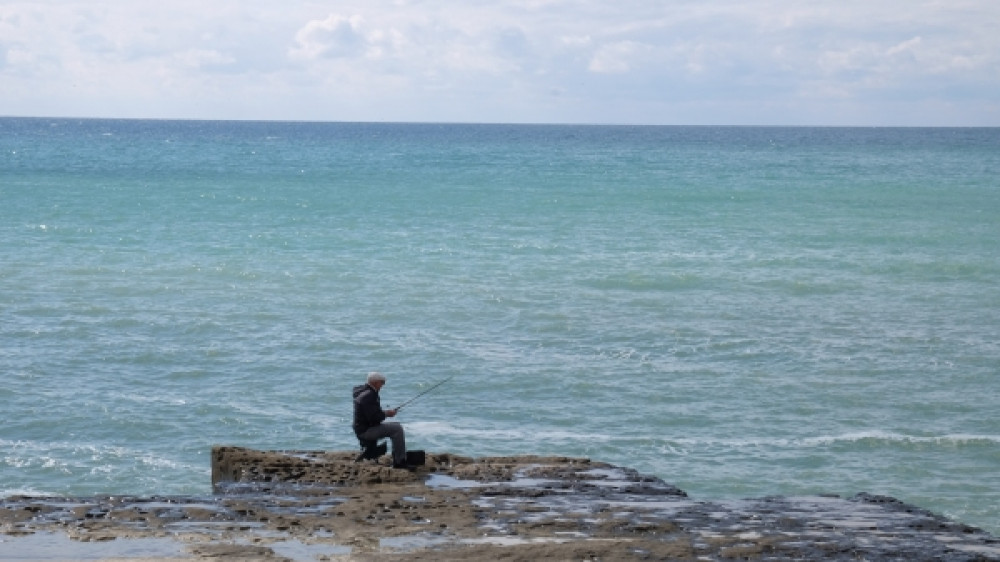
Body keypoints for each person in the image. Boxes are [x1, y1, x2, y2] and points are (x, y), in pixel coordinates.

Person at [352, 371, 411, 469]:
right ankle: (400, 461)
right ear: (375, 382)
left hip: (361, 428)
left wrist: (385, 413)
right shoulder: (369, 395)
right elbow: (373, 417)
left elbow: (371, 413)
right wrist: (387, 414)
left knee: (394, 426)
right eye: (382, 383)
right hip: (366, 431)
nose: (382, 385)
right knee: (397, 429)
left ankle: (395, 457)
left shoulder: (362, 392)